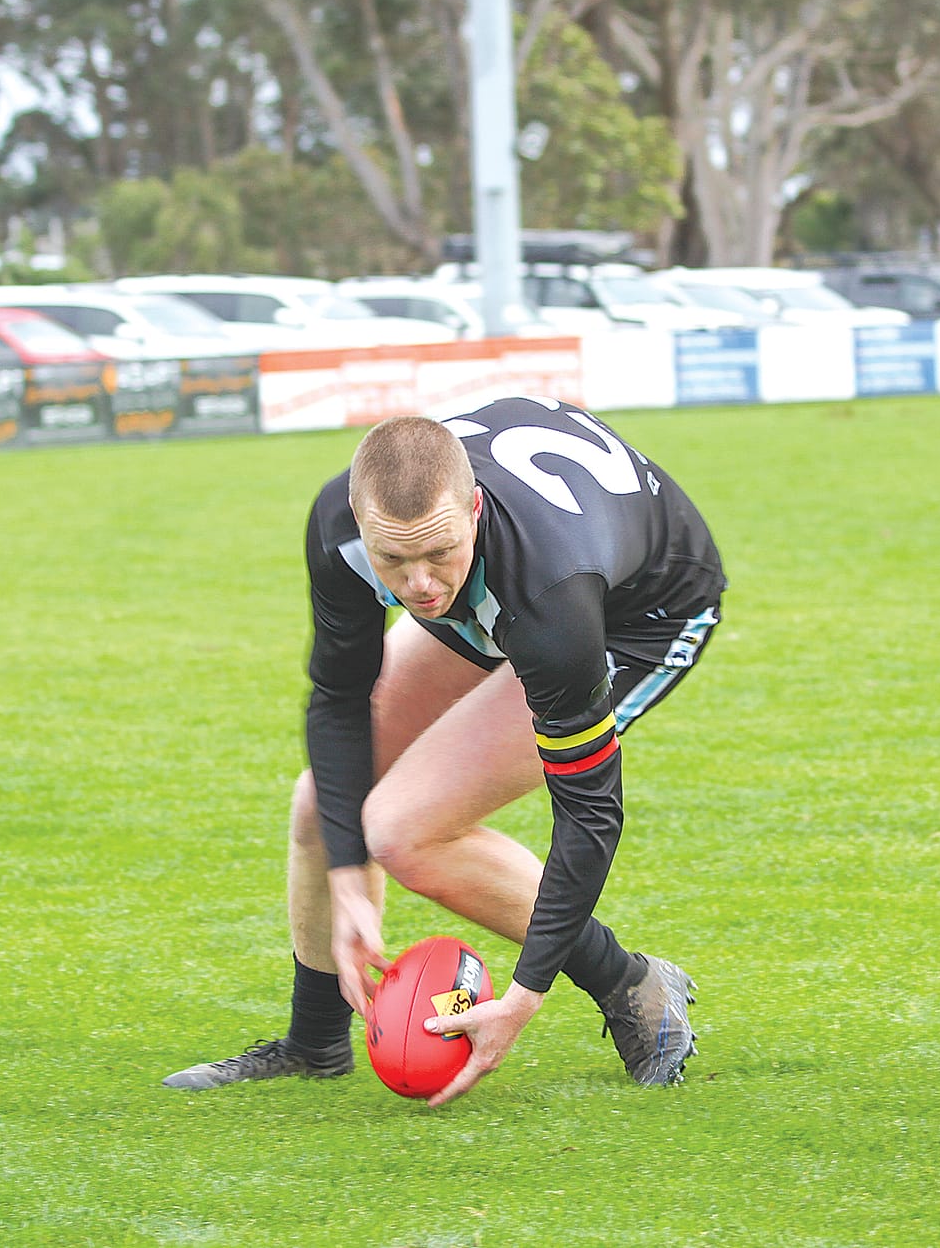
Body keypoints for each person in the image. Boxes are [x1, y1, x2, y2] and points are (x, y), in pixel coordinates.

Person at [164, 396, 727, 1104]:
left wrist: (522, 997)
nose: (418, 583)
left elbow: (587, 816)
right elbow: (337, 697)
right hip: (512, 583)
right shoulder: (343, 526)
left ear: (474, 508)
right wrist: (344, 875)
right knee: (322, 807)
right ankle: (314, 1042)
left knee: (403, 833)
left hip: (634, 616)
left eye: (438, 552)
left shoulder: (552, 605)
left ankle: (629, 981)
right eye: (393, 559)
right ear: (358, 515)